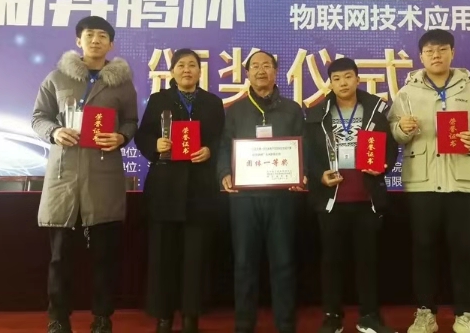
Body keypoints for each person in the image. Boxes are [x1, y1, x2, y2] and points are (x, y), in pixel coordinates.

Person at [388, 29, 470, 333]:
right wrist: (401, 128)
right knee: (423, 250)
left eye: (441, 49)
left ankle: (466, 314)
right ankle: (425, 313)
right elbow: (391, 131)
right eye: (429, 51)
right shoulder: (407, 93)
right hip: (422, 184)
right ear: (420, 56)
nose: (435, 55)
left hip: (461, 183)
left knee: (462, 250)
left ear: (452, 52)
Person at [31, 16, 139, 333]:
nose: (95, 40)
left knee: (105, 258)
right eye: (89, 35)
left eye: (102, 36)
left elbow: (131, 121)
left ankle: (102, 318)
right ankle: (58, 319)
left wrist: (121, 136)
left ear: (111, 44)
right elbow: (39, 117)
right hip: (64, 176)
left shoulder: (121, 84)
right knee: (60, 258)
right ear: (78, 40)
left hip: (103, 176)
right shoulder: (56, 78)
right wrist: (54, 132)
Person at [134, 49, 225, 333]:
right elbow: (142, 134)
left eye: (192, 65)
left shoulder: (212, 102)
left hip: (200, 190)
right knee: (163, 256)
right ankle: (163, 316)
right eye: (181, 65)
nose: (187, 69)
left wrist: (210, 150)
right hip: (165, 190)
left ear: (200, 71)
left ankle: (190, 316)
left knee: (196, 257)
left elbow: (223, 139)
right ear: (172, 71)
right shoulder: (159, 100)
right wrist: (154, 145)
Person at [305, 58, 398, 333]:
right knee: (331, 262)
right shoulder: (317, 113)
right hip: (332, 199)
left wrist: (383, 166)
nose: (343, 83)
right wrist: (319, 175)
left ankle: (369, 316)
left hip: (367, 198)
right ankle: (332, 317)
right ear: (330, 84)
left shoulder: (376, 110)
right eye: (336, 79)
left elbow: (390, 146)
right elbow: (309, 153)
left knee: (368, 261)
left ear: (358, 79)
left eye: (348, 77)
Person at [217, 50, 306, 333]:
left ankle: (286, 324)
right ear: (247, 74)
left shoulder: (292, 109)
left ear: (276, 71)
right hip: (244, 199)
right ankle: (244, 325)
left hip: (282, 198)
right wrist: (224, 173)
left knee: (284, 263)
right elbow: (224, 146)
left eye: (266, 65)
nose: (260, 70)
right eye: (254, 66)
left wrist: (302, 172)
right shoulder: (236, 110)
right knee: (244, 264)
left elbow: (304, 145)